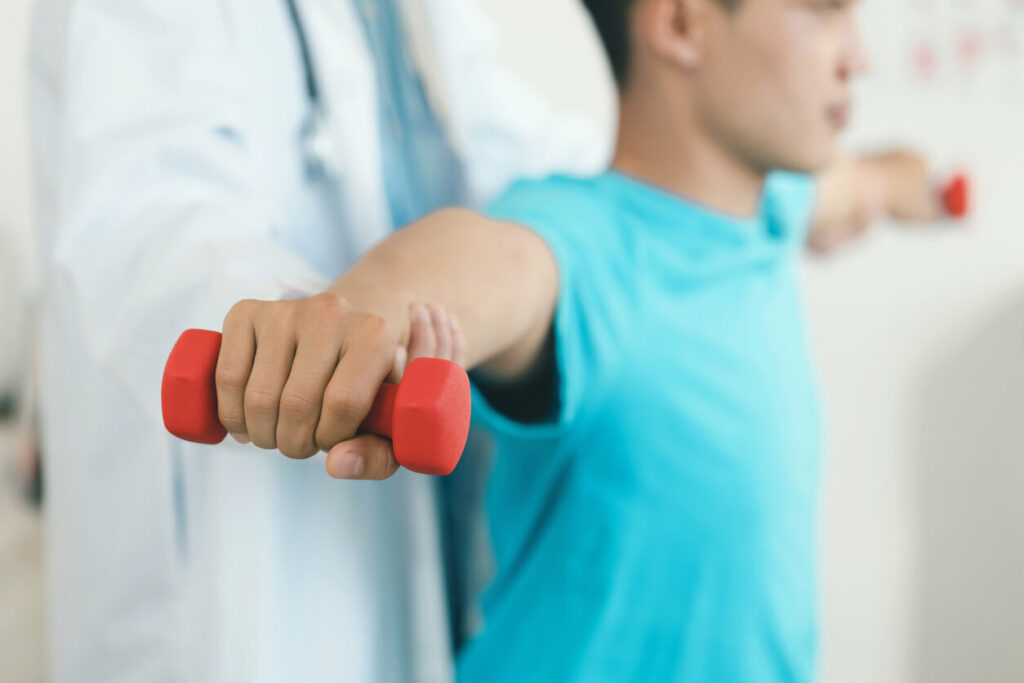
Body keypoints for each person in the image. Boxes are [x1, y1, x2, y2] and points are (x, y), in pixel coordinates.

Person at [207, 0, 949, 680]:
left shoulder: (771, 206)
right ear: (683, 26)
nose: (858, 56)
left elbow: (869, 182)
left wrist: (926, 184)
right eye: (822, 12)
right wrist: (361, 310)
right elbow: (488, 262)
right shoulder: (589, 245)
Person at [28, 0, 607, 680]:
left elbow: (514, 155)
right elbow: (145, 217)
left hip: (415, 549)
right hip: (235, 572)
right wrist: (294, 332)